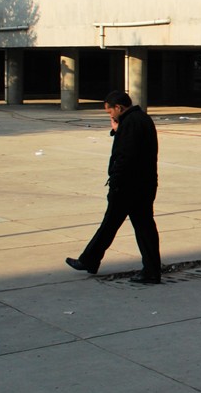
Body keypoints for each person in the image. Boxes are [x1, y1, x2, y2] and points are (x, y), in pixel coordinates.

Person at [66, 90, 162, 284]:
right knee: (140, 226)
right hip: (143, 183)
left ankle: (91, 260)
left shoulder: (131, 123)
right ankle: (91, 260)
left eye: (110, 111)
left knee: (116, 224)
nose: (110, 115)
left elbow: (125, 155)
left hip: (129, 185)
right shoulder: (140, 119)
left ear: (119, 107)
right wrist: (117, 129)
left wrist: (115, 181)